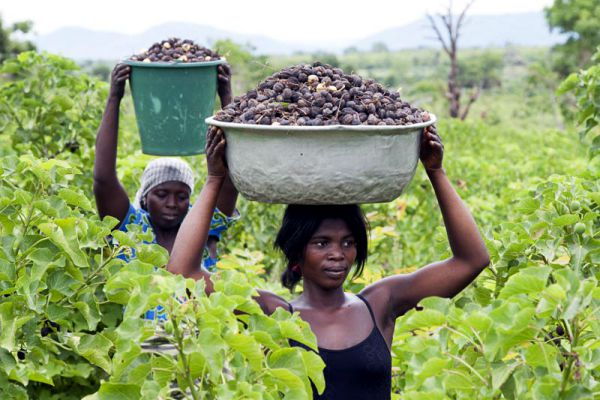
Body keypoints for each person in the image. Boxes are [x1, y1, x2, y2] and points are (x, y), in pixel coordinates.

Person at [167, 125, 490, 399]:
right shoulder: (274, 314)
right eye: (321, 243)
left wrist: (436, 172)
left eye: (348, 243)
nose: (338, 253)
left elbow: (471, 260)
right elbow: (183, 272)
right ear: (296, 253)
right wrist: (214, 180)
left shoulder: (380, 303)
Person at [94, 64, 239, 319]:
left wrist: (226, 97)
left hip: (198, 349)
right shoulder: (132, 229)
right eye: (161, 195)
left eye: (182, 196)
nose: (173, 203)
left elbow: (230, 179)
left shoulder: (202, 226)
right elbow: (103, 178)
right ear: (145, 198)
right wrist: (115, 96)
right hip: (143, 348)